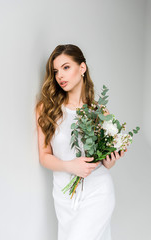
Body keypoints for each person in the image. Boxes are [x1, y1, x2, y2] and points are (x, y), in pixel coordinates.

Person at [35, 44, 127, 240]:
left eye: (66, 67)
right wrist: (70, 166)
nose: (60, 75)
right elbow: (44, 156)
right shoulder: (47, 109)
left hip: (97, 192)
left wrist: (110, 160)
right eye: (56, 71)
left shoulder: (100, 113)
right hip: (63, 196)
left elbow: (105, 162)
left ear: (82, 68)